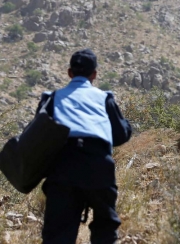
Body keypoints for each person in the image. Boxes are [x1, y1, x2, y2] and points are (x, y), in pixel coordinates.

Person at [36, 48, 132, 244]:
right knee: (105, 229)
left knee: (57, 234)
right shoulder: (105, 98)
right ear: (94, 75)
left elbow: (37, 136)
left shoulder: (51, 98)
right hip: (99, 167)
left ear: (69, 73)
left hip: (63, 168)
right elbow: (122, 134)